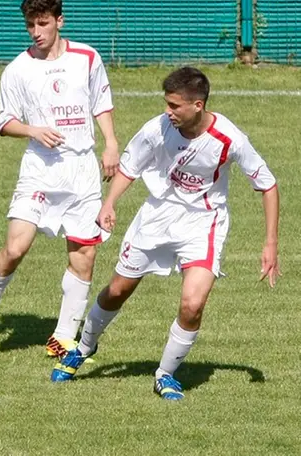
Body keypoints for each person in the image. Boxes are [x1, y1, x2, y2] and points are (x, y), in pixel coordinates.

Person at [51, 67, 280, 400]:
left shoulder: (230, 139)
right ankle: (83, 348)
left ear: (197, 105)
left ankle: (166, 375)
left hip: (204, 224)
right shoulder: (157, 129)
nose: (167, 111)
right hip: (155, 218)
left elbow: (268, 184)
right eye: (166, 104)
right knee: (117, 291)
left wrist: (270, 243)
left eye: (174, 105)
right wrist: (109, 204)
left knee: (192, 304)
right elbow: (129, 168)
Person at [0, 0, 120, 358]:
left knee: (84, 255)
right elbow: (5, 122)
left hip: (81, 170)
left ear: (59, 21)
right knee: (16, 247)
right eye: (30, 24)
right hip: (39, 169)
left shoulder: (87, 57)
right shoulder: (17, 70)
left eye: (43, 23)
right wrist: (33, 130)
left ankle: (64, 334)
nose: (36, 31)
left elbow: (101, 102)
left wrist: (111, 143)